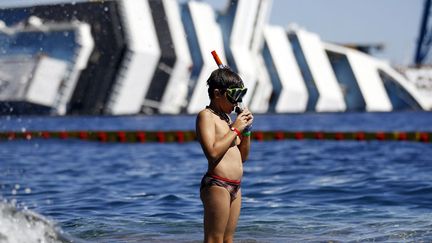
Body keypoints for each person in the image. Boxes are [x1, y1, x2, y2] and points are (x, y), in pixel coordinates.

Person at [196, 68, 254, 243]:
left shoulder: (227, 119)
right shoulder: (206, 116)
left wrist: (246, 131)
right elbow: (212, 153)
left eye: (240, 96)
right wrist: (236, 128)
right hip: (217, 184)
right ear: (217, 93)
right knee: (215, 239)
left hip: (236, 186)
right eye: (233, 96)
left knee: (228, 239)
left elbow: (242, 157)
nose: (236, 103)